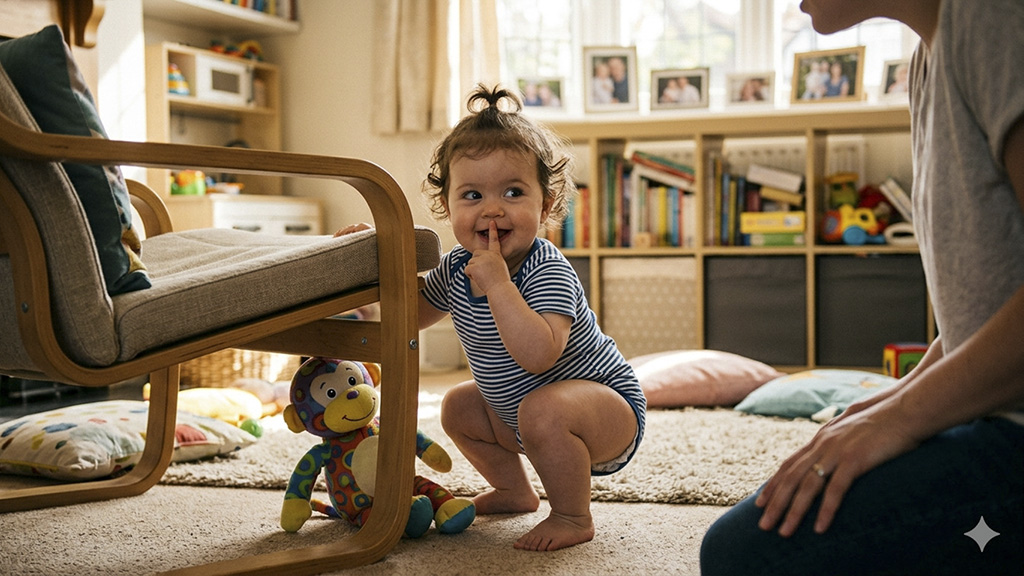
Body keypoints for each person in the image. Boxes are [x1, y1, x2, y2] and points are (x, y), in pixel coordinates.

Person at [701, 0, 1024, 574]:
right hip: (997, 413)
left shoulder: (996, 19)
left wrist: (900, 419)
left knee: (746, 556)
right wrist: (888, 403)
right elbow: (988, 306)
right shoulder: (930, 57)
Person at [336, 85, 646, 552]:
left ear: (545, 206)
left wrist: (500, 286)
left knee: (542, 410)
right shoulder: (457, 268)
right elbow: (411, 315)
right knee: (458, 405)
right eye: (473, 195)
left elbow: (539, 355)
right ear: (448, 207)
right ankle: (514, 490)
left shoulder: (547, 268)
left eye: (513, 192)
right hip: (517, 414)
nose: (493, 209)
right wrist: (373, 260)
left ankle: (572, 515)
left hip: (604, 412)